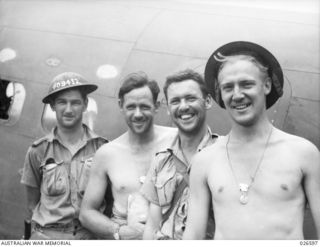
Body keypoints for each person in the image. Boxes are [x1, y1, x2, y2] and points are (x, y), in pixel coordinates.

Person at [183, 41, 320, 240]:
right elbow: (193, 235)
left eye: (246, 84)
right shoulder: (204, 161)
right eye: (228, 87)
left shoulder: (303, 153)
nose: (237, 95)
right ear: (220, 93)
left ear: (266, 85)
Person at [79, 72, 176, 240]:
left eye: (144, 106)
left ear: (157, 105)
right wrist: (120, 230)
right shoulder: (107, 154)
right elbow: (86, 213)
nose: (137, 114)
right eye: (131, 107)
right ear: (121, 105)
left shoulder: (177, 140)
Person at [20, 72, 108, 240]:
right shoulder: (38, 151)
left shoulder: (103, 149)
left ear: (85, 104)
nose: (68, 109)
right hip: (47, 237)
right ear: (52, 106)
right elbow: (32, 203)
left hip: (89, 236)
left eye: (75, 103)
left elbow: (109, 201)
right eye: (62, 102)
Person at [141, 69, 218, 240]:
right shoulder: (161, 160)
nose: (183, 106)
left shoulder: (224, 155)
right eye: (175, 101)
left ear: (207, 101)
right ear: (168, 108)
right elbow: (153, 226)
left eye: (191, 98)